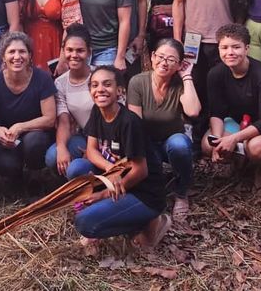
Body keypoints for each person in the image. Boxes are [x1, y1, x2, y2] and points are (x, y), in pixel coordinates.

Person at [70, 66, 171, 254]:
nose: (100, 89)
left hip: (143, 192)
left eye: (107, 84)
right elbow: (91, 151)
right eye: (94, 85)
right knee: (76, 168)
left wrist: (102, 195)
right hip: (118, 181)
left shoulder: (129, 122)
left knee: (85, 224)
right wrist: (112, 171)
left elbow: (141, 171)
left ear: (119, 90)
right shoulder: (97, 111)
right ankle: (113, 213)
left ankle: (149, 223)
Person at [126, 38, 201, 222]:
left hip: (170, 140)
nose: (164, 63)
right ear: (152, 57)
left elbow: (193, 111)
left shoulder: (180, 83)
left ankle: (181, 193)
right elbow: (134, 123)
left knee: (180, 145)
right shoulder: (137, 82)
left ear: (178, 64)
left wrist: (187, 76)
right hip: (147, 143)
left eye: (171, 60)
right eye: (160, 56)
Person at [200, 24, 261, 164]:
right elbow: (216, 112)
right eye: (224, 48)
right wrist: (218, 141)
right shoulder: (215, 74)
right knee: (208, 144)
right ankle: (238, 166)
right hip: (236, 122)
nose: (230, 52)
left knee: (255, 148)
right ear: (218, 49)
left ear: (246, 48)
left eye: (236, 47)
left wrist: (234, 139)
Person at [0, 32, 56, 185]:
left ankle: (34, 176)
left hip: (34, 134)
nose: (17, 57)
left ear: (30, 55)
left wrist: (21, 127)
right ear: (3, 57)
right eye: (11, 52)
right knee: (8, 166)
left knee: (34, 142)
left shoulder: (42, 78)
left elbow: (50, 119)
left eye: (22, 51)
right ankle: (15, 177)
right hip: (6, 137)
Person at [44, 24, 95, 178]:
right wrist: (61, 147)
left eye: (80, 50)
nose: (74, 55)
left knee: (79, 167)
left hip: (107, 140)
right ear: (63, 51)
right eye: (69, 50)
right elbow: (64, 121)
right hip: (82, 137)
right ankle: (70, 185)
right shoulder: (60, 83)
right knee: (53, 156)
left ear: (89, 52)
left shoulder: (101, 76)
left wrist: (94, 149)